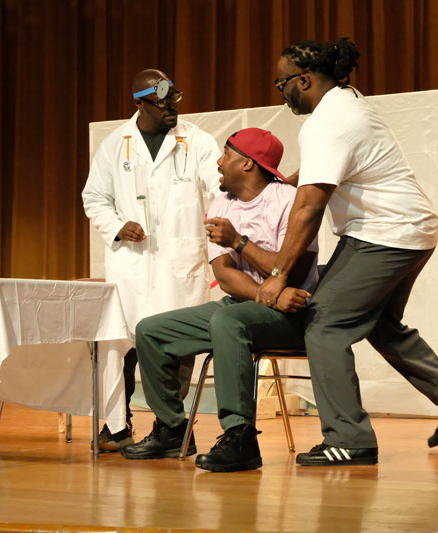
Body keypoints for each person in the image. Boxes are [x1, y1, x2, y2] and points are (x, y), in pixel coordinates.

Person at [257, 38, 438, 466]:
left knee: (324, 324)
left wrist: (277, 273)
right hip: (409, 230)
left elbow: (310, 207)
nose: (281, 92)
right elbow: (342, 165)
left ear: (304, 80)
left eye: (281, 84)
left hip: (386, 234)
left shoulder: (327, 122)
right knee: (377, 320)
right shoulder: (349, 102)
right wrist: (293, 178)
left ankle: (350, 439)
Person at [120, 127, 319, 472]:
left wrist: (239, 242)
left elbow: (292, 270)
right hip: (255, 302)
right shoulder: (221, 204)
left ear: (248, 164)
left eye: (227, 154)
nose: (218, 161)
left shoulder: (289, 201)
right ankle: (172, 428)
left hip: (293, 313)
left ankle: (240, 436)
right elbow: (225, 276)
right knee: (152, 330)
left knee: (228, 321)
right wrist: (264, 292)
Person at [82, 69, 222, 450]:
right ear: (140, 103)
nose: (171, 108)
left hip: (179, 262)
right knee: (122, 345)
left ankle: (172, 429)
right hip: (131, 264)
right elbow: (94, 196)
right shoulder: (116, 144)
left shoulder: (197, 141)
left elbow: (221, 186)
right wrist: (116, 225)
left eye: (174, 100)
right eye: (161, 103)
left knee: (176, 345)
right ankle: (115, 426)